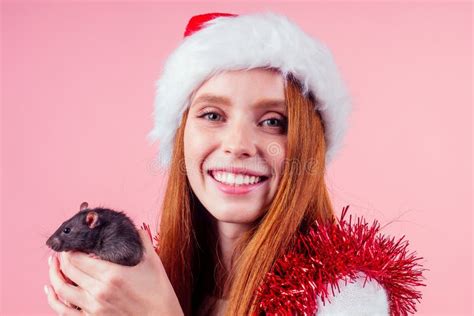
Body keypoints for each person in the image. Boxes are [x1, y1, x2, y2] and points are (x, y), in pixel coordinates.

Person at [45, 12, 425, 316]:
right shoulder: (147, 281)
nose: (238, 146)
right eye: (212, 115)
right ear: (182, 137)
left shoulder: (346, 299)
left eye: (274, 121)